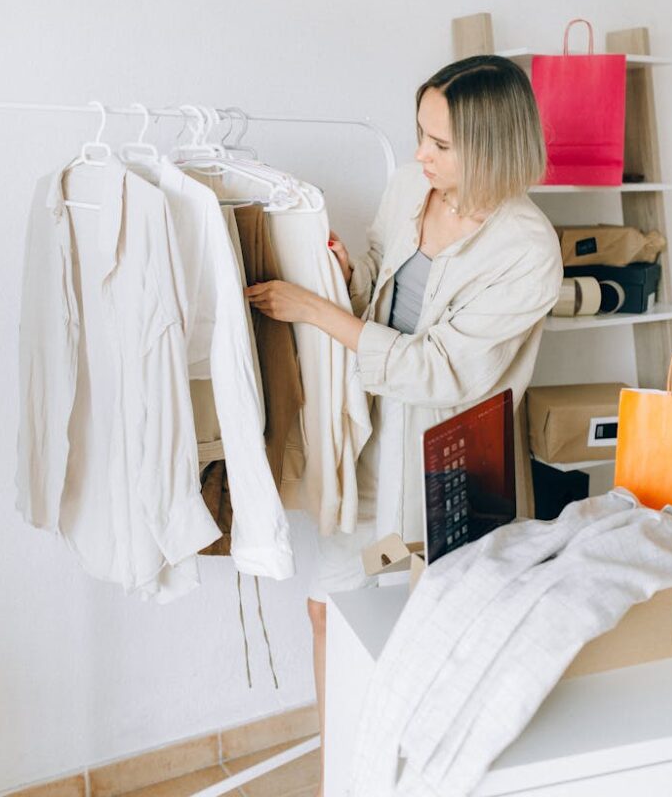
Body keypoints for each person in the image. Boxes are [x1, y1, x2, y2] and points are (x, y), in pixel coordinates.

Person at [245, 54, 563, 795]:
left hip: (441, 470)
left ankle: (406, 778)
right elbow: (377, 291)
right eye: (418, 133)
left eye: (439, 144)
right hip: (363, 443)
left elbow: (441, 371)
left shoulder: (526, 249)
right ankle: (341, 774)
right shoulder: (406, 189)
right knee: (332, 612)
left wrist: (314, 309)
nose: (419, 154)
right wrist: (340, 277)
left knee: (416, 636)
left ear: (493, 146)